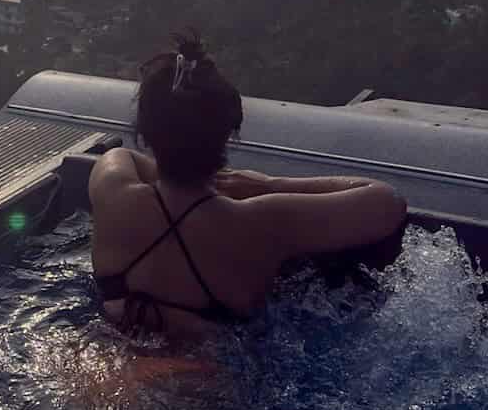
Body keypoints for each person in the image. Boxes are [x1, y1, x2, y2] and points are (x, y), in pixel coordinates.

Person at [90, 33, 407, 337]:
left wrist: (180, 161)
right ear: (228, 134)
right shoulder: (261, 222)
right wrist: (269, 185)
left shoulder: (112, 190)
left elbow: (125, 155)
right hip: (205, 382)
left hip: (100, 366)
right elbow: (387, 201)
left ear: (144, 132)